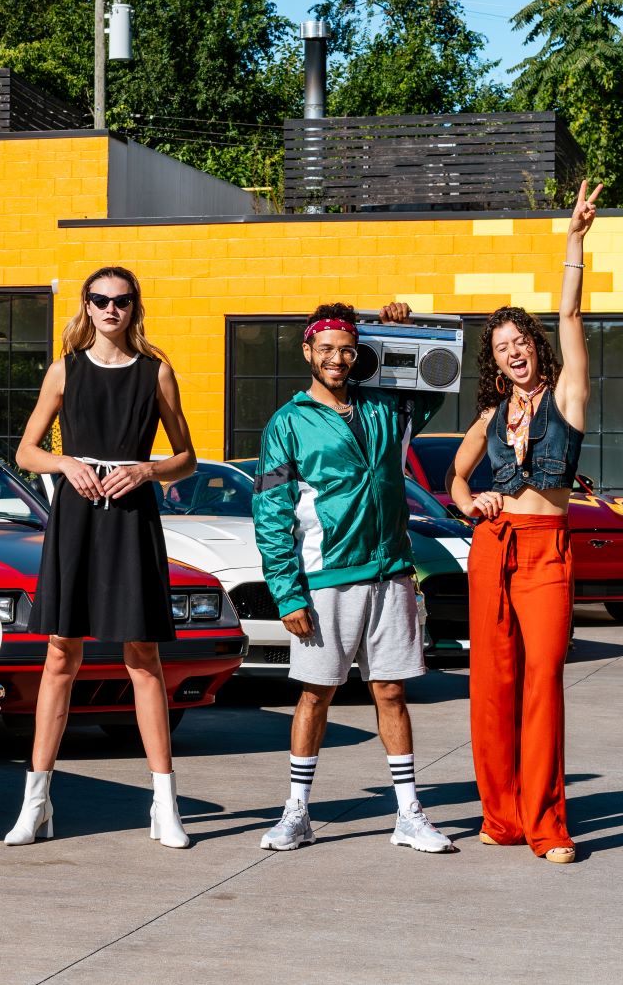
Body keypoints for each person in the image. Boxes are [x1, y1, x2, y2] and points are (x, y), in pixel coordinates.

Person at [251, 301, 457, 855]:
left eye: (347, 349)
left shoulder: (386, 409)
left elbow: (437, 384)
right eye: (327, 349)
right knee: (316, 694)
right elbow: (270, 514)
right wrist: (287, 592)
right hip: (326, 579)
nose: (338, 359)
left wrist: (406, 335)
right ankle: (296, 812)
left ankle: (410, 814)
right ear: (308, 352)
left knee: (391, 691)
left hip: (391, 572)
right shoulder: (287, 423)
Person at [6, 266, 198, 849]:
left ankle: (165, 805)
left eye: (122, 300)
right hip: (77, 518)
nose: (111, 309)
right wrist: (66, 463)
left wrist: (147, 469)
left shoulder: (156, 371)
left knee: (144, 658)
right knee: (61, 655)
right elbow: (26, 451)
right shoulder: (64, 370)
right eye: (100, 300)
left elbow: (186, 456)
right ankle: (35, 804)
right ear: (86, 307)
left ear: (135, 307)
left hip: (133, 519)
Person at [450, 181, 601, 865]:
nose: (514, 350)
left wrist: (572, 241)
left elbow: (571, 315)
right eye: (501, 344)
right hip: (492, 548)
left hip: (544, 553)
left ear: (535, 347)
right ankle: (500, 815)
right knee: (493, 682)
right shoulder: (486, 417)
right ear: (494, 358)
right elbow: (454, 478)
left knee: (540, 680)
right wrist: (468, 502)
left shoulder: (566, 395)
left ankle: (546, 823)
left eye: (521, 340)